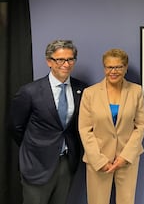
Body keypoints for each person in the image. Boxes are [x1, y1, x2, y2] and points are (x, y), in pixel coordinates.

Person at [9, 40, 87, 204]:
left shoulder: (82, 89)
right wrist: (36, 146)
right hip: (36, 163)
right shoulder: (29, 91)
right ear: (49, 61)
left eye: (70, 59)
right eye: (60, 60)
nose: (66, 64)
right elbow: (16, 127)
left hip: (66, 162)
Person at [78, 48, 144, 204]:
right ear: (104, 68)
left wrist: (125, 156)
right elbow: (84, 129)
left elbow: (141, 126)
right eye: (110, 67)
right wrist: (99, 160)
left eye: (118, 67)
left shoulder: (136, 91)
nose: (114, 71)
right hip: (98, 160)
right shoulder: (90, 93)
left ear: (125, 68)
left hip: (127, 159)